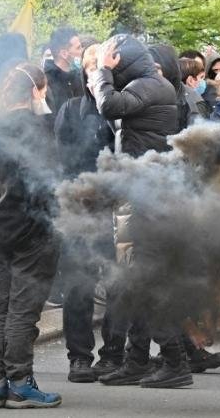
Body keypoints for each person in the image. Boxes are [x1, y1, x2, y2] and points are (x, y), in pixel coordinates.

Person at [88, 35, 188, 388]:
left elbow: (108, 106)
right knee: (131, 280)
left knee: (142, 280)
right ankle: (137, 359)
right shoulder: (147, 85)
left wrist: (101, 70)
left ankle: (175, 361)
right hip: (133, 194)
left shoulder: (152, 86)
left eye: (112, 59)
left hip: (144, 197)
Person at [0, 63, 62, 409]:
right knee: (22, 311)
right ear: (37, 90)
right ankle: (20, 383)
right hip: (32, 233)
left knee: (4, 307)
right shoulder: (40, 130)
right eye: (44, 89)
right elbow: (47, 186)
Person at [55, 44, 124, 384]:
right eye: (90, 66)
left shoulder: (123, 108)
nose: (95, 71)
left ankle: (113, 352)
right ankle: (79, 357)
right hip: (81, 207)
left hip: (117, 207)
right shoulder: (70, 110)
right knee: (79, 285)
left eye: (102, 65)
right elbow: (63, 161)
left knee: (118, 283)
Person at [44, 27, 83, 114]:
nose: (82, 51)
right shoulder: (47, 82)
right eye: (78, 48)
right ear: (64, 54)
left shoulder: (78, 77)